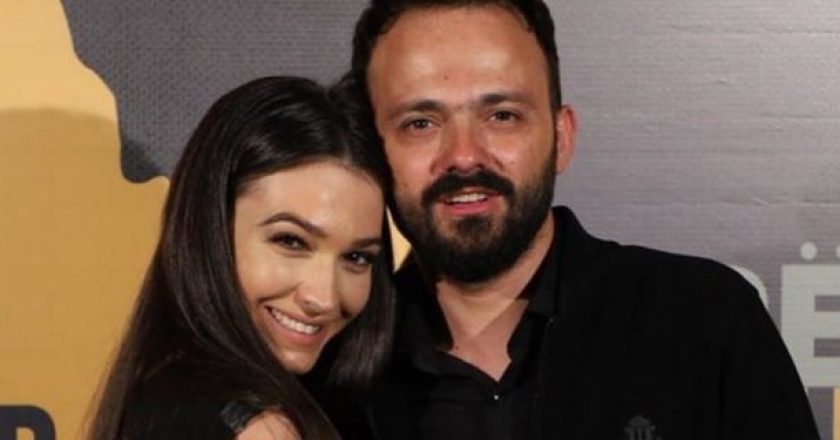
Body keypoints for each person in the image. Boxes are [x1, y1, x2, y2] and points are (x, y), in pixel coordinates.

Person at [340, 0, 821, 438]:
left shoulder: (705, 321)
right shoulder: (336, 363)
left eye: (502, 115)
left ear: (562, 137)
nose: (464, 156)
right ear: (370, 152)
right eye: (420, 124)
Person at [86, 76, 394, 440]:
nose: (324, 298)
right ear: (211, 227)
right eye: (291, 241)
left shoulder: (160, 391)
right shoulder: (259, 429)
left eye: (357, 257)